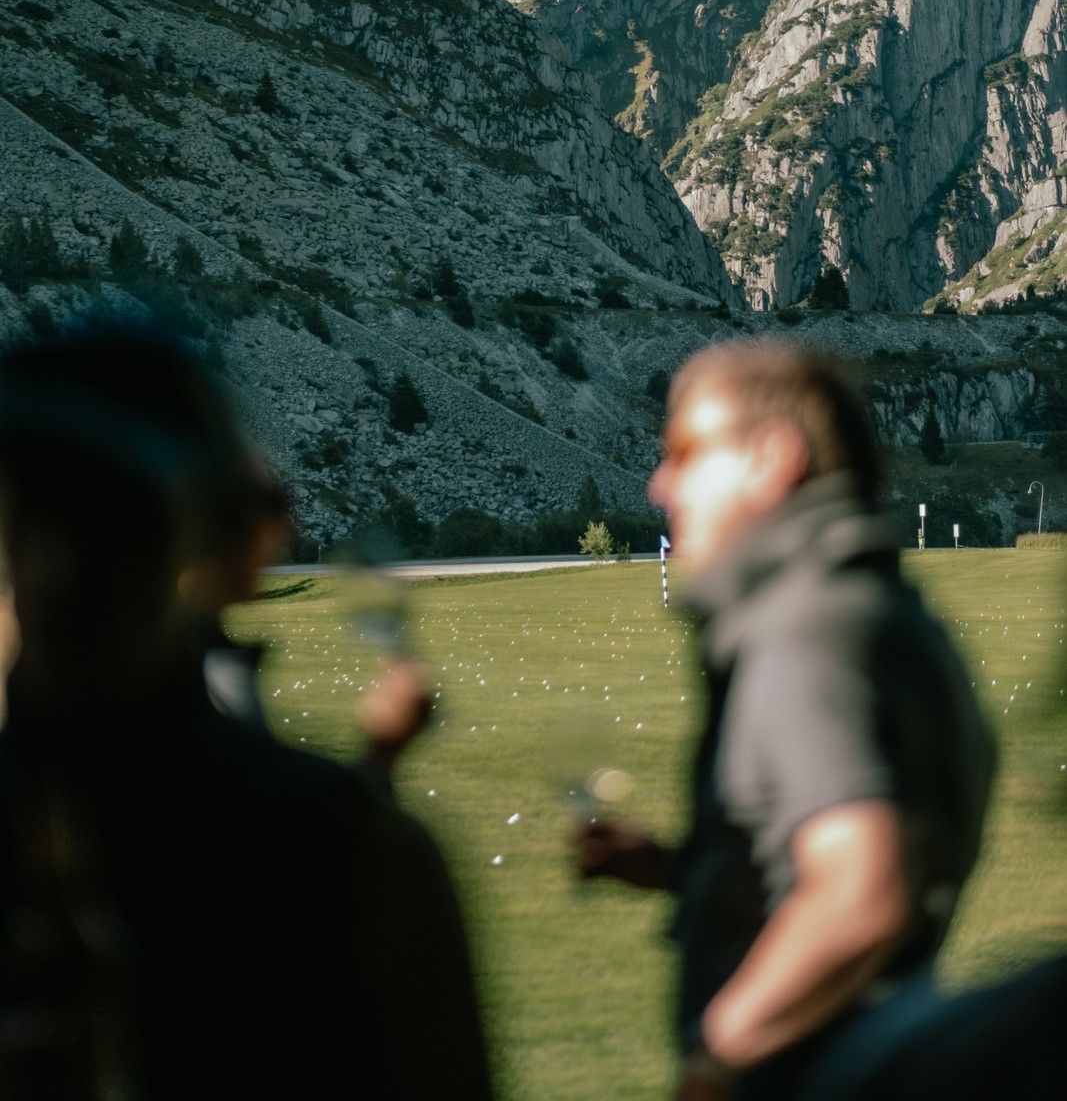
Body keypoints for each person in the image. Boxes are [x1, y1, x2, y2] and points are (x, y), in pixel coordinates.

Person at [0, 320, 494, 1101]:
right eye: (35, 512)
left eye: (111, 522)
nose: (61, 569)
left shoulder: (351, 854)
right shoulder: (353, 847)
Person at [576, 340, 994, 1099]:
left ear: (771, 457)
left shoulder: (805, 631)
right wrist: (680, 869)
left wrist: (718, 1060)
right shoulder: (882, 613)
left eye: (684, 450)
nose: (659, 484)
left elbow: (860, 892)